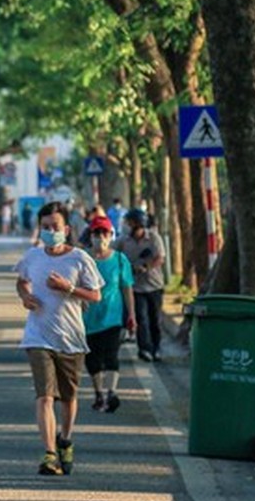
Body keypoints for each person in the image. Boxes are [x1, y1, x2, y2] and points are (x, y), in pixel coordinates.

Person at [15, 201, 103, 476]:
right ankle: (50, 452)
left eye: (55, 227)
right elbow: (21, 280)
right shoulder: (33, 257)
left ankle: (65, 439)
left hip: (71, 338)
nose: (50, 231)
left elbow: (95, 294)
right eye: (45, 227)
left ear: (66, 228)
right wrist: (25, 296)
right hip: (38, 336)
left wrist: (69, 287)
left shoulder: (79, 259)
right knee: (44, 397)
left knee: (68, 397)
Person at [82, 215, 135, 413]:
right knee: (93, 359)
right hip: (88, 318)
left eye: (105, 233)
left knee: (111, 354)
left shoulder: (120, 260)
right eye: (97, 233)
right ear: (91, 235)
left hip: (113, 317)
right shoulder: (83, 259)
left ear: (110, 235)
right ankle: (98, 393)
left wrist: (132, 315)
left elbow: (127, 288)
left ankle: (112, 392)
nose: (101, 237)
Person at [116, 208, 166, 362]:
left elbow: (160, 258)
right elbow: (112, 253)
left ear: (138, 224)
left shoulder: (154, 238)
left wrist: (146, 267)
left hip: (154, 285)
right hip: (135, 287)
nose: (126, 225)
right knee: (141, 319)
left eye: (129, 222)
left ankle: (157, 348)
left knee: (155, 319)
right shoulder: (123, 241)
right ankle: (145, 349)